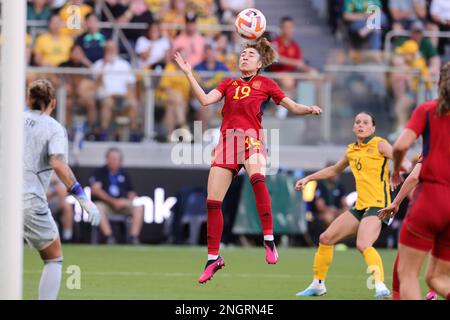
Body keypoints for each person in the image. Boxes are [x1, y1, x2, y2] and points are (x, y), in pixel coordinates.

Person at [174, 37, 322, 284]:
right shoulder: (228, 83)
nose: (244, 57)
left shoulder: (266, 83)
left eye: (250, 55)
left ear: (260, 63)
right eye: (243, 54)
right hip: (227, 142)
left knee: (257, 178)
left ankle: (268, 239)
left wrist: (309, 109)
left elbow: (292, 106)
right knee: (212, 202)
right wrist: (189, 74)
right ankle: (213, 259)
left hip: (252, 139)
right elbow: (205, 100)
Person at [294, 112, 404, 298]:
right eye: (357, 122)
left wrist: (398, 170)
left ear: (373, 128)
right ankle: (318, 284)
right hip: (361, 207)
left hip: (380, 206)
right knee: (326, 238)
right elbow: (334, 170)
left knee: (363, 243)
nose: (361, 125)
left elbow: (402, 158)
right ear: (354, 128)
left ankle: (380, 286)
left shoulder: (379, 143)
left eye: (365, 122)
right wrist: (308, 178)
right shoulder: (352, 150)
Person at [24, 79, 100, 300]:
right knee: (53, 257)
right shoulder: (54, 128)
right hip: (29, 200)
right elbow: (57, 163)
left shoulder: (11, 118)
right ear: (54, 103)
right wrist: (83, 199)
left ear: (28, 99)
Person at [388, 62, 450, 300]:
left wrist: (396, 168)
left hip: (431, 199)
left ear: (439, 84)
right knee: (437, 278)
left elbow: (401, 145)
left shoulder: (427, 110)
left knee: (408, 274)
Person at [378, 159, 438, 300]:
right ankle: (432, 293)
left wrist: (395, 202)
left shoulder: (433, 148)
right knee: (440, 267)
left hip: (427, 208)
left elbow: (413, 177)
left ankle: (397, 296)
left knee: (405, 260)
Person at [89, 148, 144, 245]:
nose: (113, 161)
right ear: (107, 159)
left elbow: (131, 193)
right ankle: (109, 237)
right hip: (106, 204)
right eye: (111, 158)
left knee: (139, 207)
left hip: (122, 204)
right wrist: (113, 201)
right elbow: (96, 190)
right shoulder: (100, 172)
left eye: (116, 159)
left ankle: (133, 237)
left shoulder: (125, 174)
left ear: (120, 161)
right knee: (97, 207)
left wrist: (127, 201)